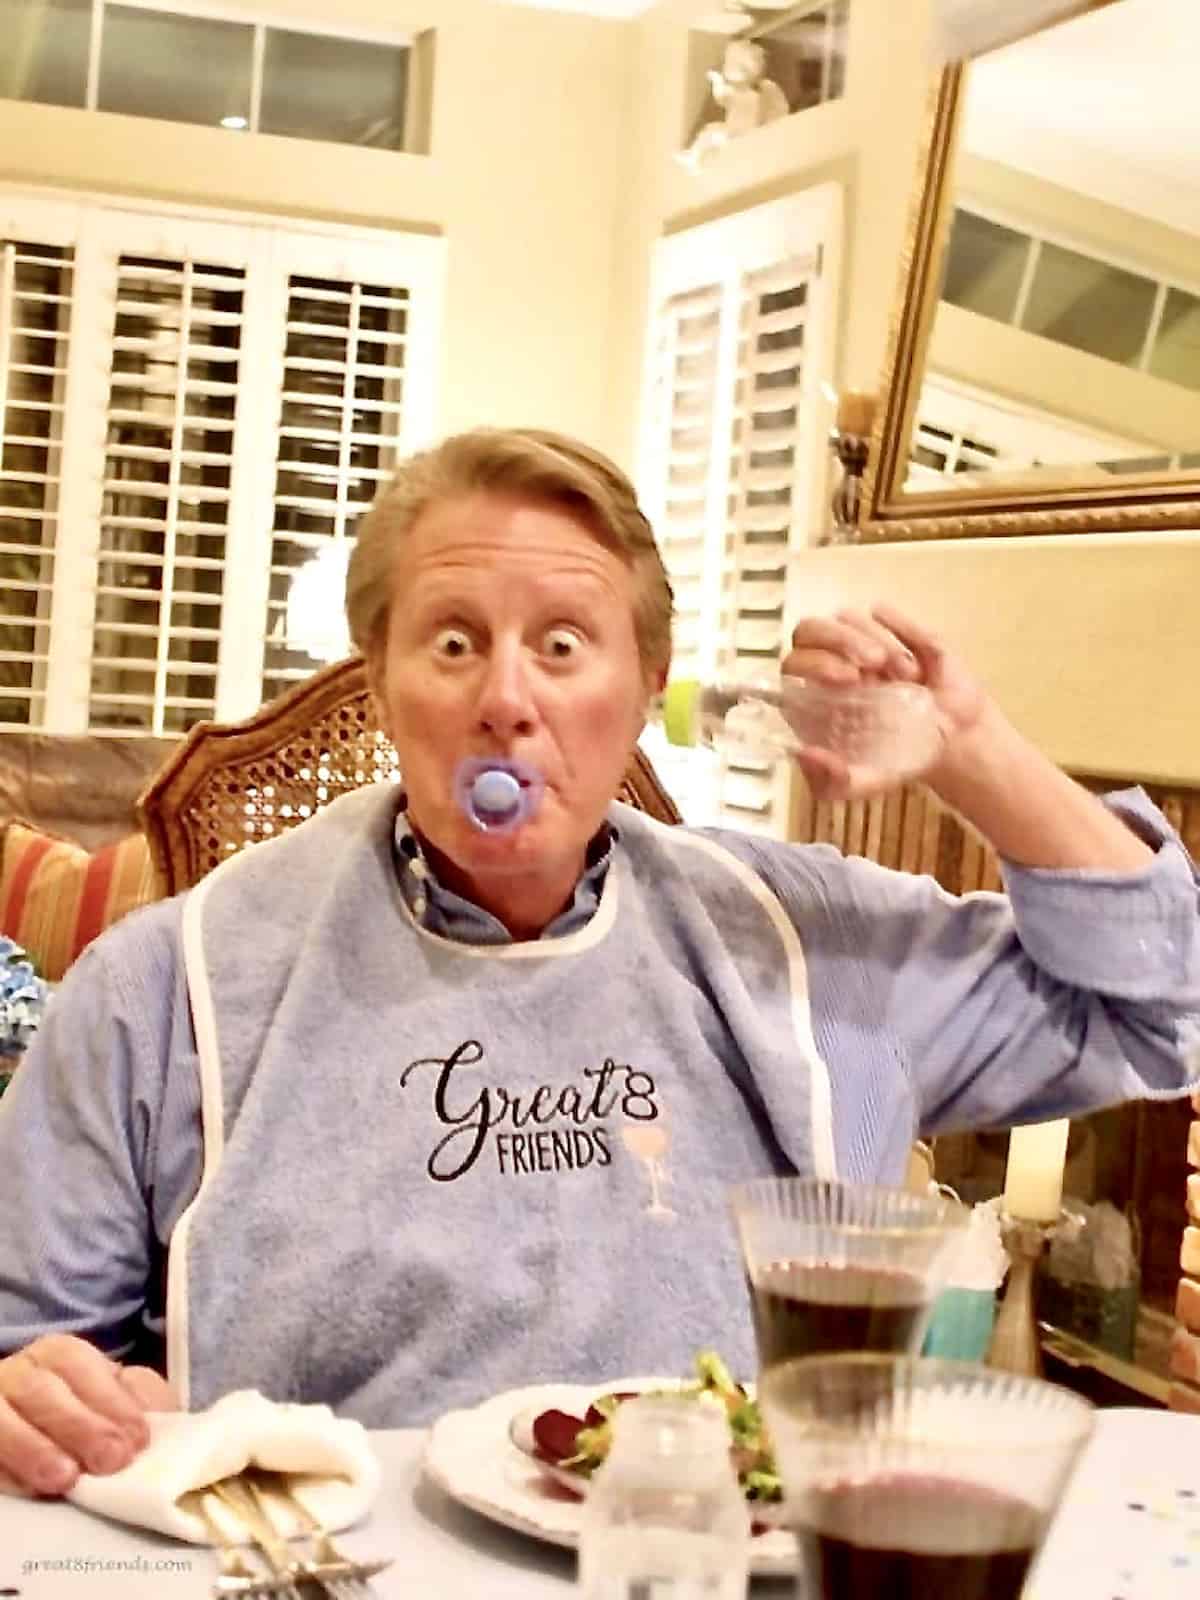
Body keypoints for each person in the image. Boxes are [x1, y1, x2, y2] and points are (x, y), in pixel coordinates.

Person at [0, 426, 1197, 1498]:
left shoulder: (806, 947)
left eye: (565, 646)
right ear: (380, 681)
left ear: (639, 697)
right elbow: (27, 1342)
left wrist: (972, 750)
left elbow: (1162, 1003)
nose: (506, 698)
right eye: (454, 642)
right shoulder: (169, 988)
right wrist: (40, 1393)